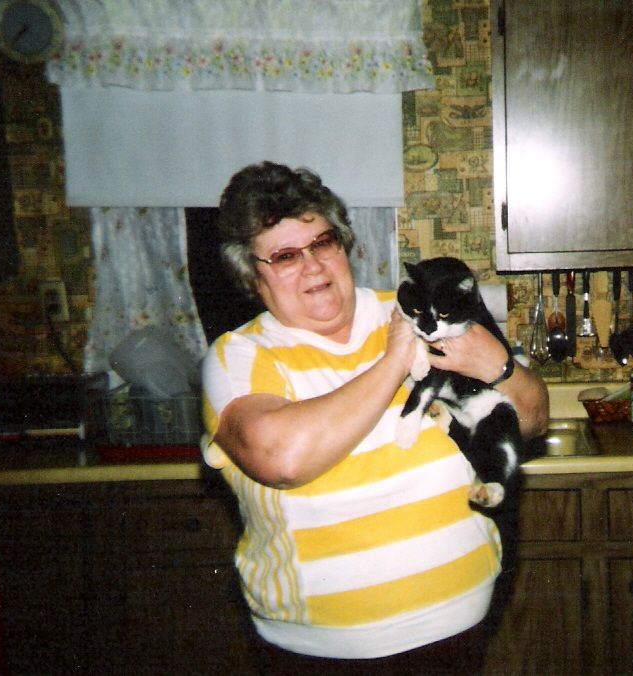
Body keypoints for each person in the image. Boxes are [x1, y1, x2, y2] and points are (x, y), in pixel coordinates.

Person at [201, 161, 549, 674]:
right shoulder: (240, 357)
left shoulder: (416, 311)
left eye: (322, 243)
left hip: (458, 630)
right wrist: (393, 362)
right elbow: (281, 458)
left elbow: (533, 419)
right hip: (321, 654)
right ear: (251, 275)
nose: (313, 267)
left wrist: (500, 368)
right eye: (286, 256)